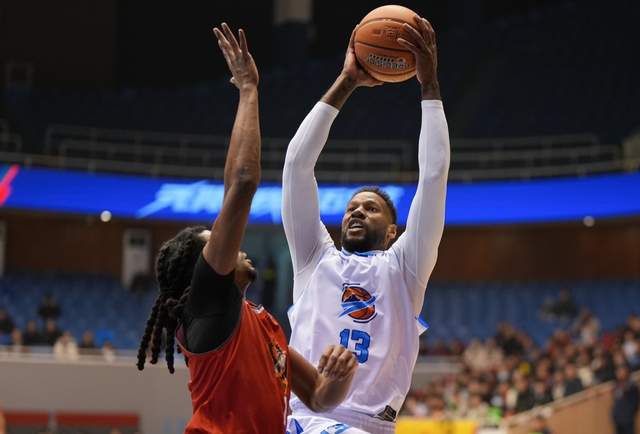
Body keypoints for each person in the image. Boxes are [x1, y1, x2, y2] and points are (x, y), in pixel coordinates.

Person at [135, 23, 357, 434]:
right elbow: (240, 186)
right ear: (201, 273)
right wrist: (249, 90)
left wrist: (341, 377)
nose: (234, 247)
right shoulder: (206, 308)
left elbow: (318, 396)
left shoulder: (262, 322)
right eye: (217, 245)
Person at [282, 15, 449, 434]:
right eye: (352, 207)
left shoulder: (405, 268)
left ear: (393, 232)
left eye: (371, 209)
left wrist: (429, 87)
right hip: (303, 417)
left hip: (370, 424)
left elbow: (433, 176)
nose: (356, 212)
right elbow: (297, 166)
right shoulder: (314, 258)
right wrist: (347, 81)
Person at [612, 365, 639, 434]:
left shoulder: (632, 385)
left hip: (627, 418)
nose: (618, 374)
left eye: (620, 371)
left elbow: (635, 402)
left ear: (626, 372)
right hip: (618, 419)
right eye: (618, 372)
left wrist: (630, 413)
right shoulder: (617, 385)